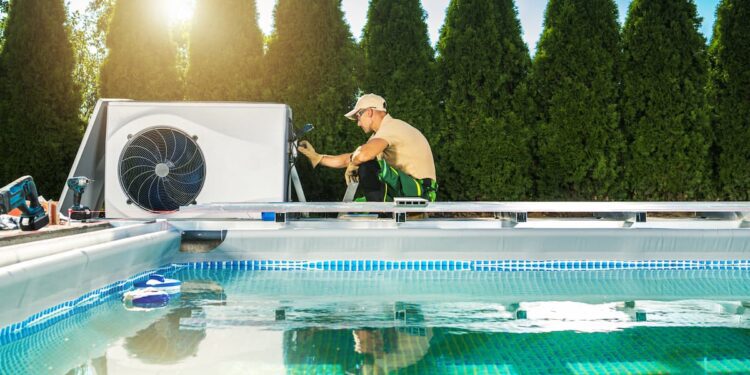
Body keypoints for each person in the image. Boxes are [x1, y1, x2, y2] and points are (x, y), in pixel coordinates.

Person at [297, 94, 437, 202]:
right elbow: (351, 158)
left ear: (369, 112)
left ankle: (381, 213)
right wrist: (317, 157)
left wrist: (355, 162)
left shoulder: (392, 127)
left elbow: (362, 156)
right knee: (356, 209)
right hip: (408, 189)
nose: (358, 123)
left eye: (358, 116)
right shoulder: (380, 135)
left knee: (367, 165)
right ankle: (377, 210)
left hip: (421, 191)